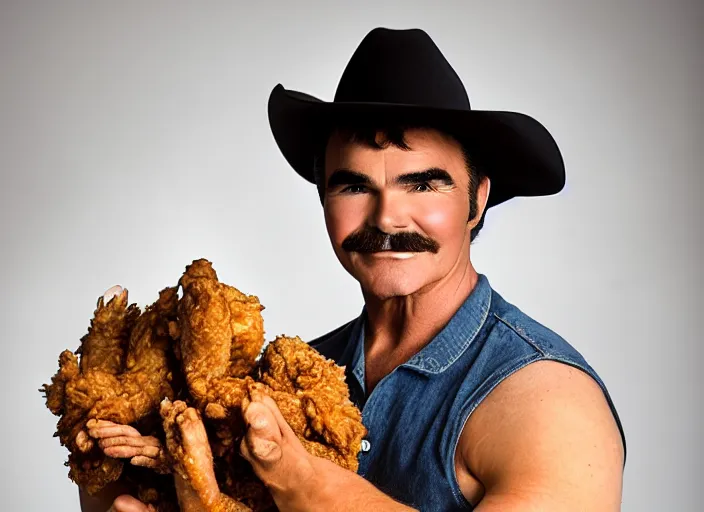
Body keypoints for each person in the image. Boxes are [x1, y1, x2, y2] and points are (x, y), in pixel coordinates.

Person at [84, 28, 626, 511]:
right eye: (354, 186)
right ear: (324, 199)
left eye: (423, 184)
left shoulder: (547, 402)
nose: (387, 216)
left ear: (477, 201)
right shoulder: (291, 375)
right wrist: (103, 461)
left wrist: (306, 485)